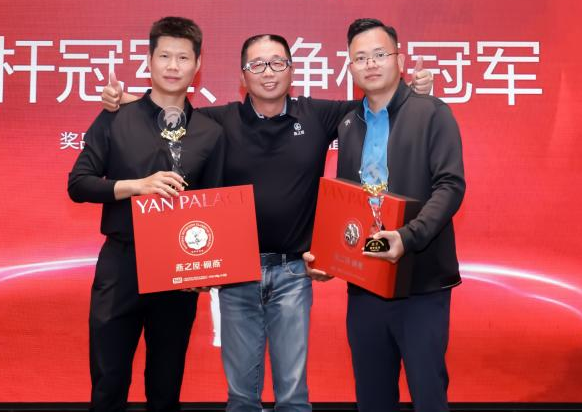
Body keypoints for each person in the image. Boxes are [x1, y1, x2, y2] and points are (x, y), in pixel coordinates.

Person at [101, 34, 433, 412]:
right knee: (242, 397)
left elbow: (377, 101)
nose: (268, 72)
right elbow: (169, 112)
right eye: (257, 65)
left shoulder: (317, 114)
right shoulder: (219, 121)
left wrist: (415, 89)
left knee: (292, 395)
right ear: (243, 76)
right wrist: (124, 100)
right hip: (236, 274)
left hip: (293, 273)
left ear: (291, 70)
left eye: (277, 63)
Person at [306, 18, 465, 412]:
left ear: (400, 59)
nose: (371, 64)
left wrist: (408, 237)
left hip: (421, 283)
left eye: (380, 54)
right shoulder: (349, 123)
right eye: (360, 58)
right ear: (349, 67)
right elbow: (350, 204)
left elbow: (450, 186)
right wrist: (330, 258)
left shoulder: (432, 113)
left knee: (428, 395)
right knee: (373, 398)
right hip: (366, 284)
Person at [68, 16, 226, 412]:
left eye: (183, 58)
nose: (173, 66)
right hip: (121, 264)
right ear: (149, 61)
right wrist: (135, 186)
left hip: (179, 270)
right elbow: (79, 183)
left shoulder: (209, 132)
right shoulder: (116, 117)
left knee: (165, 385)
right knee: (108, 380)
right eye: (164, 56)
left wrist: (204, 269)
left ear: (197, 65)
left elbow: (214, 204)